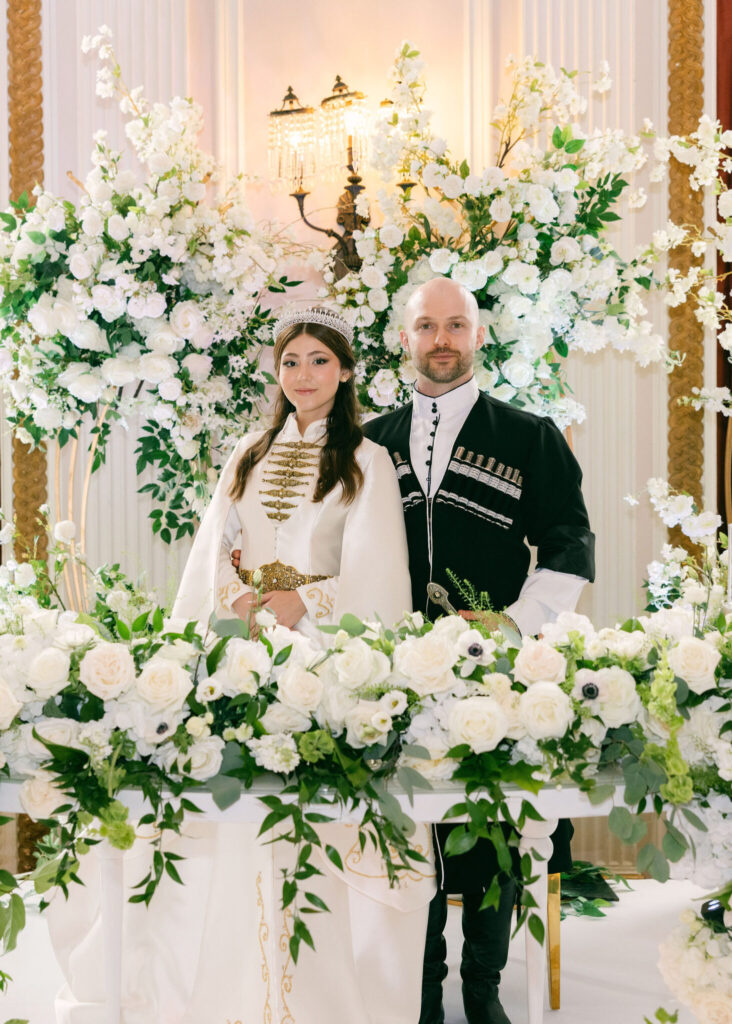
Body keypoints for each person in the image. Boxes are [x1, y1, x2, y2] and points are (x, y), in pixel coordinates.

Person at [48, 308, 434, 1024]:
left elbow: (379, 572)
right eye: (291, 362)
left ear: (346, 370)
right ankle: (221, 991)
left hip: (323, 658)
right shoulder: (249, 452)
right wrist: (235, 601)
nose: (304, 376)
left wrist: (306, 603)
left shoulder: (368, 461)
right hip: (244, 652)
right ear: (276, 372)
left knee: (310, 819)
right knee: (226, 816)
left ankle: (310, 995)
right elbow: (210, 554)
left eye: (320, 361)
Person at [362, 276, 596, 1024]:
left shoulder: (529, 437)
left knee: (491, 821)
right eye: (426, 326)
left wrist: (518, 626)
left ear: (478, 337)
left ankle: (482, 984)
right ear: (404, 339)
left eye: (455, 325)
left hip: (493, 672)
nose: (441, 340)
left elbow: (570, 543)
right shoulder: (370, 444)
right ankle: (423, 989)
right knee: (410, 830)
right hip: (389, 673)